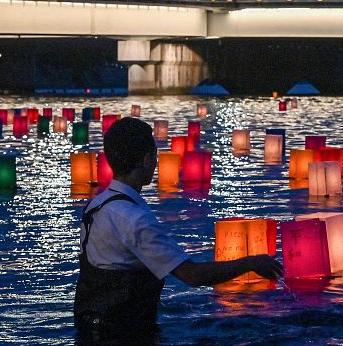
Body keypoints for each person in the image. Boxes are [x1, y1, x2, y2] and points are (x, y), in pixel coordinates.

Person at [74, 117, 283, 344]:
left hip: (89, 326)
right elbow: (191, 274)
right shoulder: (133, 218)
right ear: (146, 160)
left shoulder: (97, 204)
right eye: (154, 156)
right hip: (123, 333)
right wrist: (251, 263)